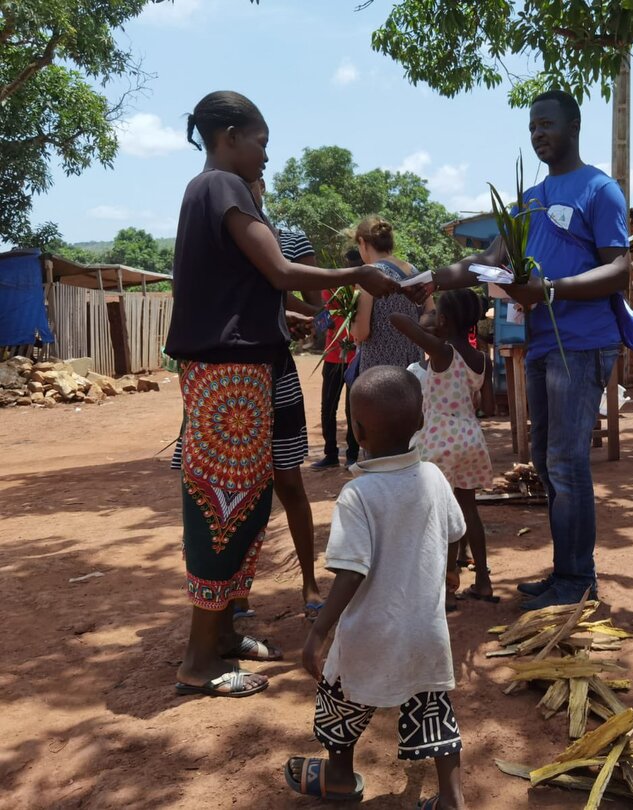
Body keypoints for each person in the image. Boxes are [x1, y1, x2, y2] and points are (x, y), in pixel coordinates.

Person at [166, 90, 403, 698]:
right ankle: (198, 659)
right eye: (261, 143)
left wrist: (281, 319)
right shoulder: (222, 186)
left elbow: (254, 284)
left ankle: (218, 636)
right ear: (227, 136)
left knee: (243, 502)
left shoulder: (217, 191)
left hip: (242, 366)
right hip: (229, 373)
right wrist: (354, 273)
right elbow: (280, 271)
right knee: (223, 504)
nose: (266, 157)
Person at [427, 89, 629, 611]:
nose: (539, 134)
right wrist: (427, 278)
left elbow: (618, 268)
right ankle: (565, 572)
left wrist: (551, 290)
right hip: (541, 343)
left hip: (581, 344)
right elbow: (487, 262)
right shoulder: (529, 201)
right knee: (544, 459)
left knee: (566, 463)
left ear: (574, 125)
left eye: (547, 125)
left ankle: (578, 580)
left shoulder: (599, 190)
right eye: (532, 128)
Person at [284, 366, 468, 809]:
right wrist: (450, 574)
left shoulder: (359, 495)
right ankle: (452, 799)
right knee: (434, 712)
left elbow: (351, 571)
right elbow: (454, 533)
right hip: (426, 631)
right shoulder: (434, 478)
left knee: (339, 702)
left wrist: (318, 632)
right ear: (421, 421)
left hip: (369, 635)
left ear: (358, 432)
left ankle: (341, 778)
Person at [171, 178, 327, 622]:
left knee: (286, 482)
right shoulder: (220, 234)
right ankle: (230, 595)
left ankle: (308, 580)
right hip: (232, 382)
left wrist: (288, 313)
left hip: (273, 374)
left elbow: (310, 304)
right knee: (226, 488)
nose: (254, 181)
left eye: (258, 179)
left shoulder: (288, 239)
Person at [391, 289, 497, 606]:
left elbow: (398, 320)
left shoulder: (441, 352)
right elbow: (489, 408)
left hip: (438, 440)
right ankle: (483, 581)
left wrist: (429, 326)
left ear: (445, 320)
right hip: (471, 437)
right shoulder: (481, 360)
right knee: (468, 511)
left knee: (441, 515)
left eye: (437, 313)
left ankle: (447, 589)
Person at [348, 215, 432, 379]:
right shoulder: (414, 271)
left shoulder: (367, 276)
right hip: (413, 368)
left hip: (379, 372)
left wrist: (352, 325)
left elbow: (362, 332)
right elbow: (431, 316)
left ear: (362, 242)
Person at [310, 247, 361, 470]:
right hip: (333, 355)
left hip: (356, 356)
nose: (354, 269)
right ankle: (330, 453)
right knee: (328, 407)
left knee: (353, 408)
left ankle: (352, 453)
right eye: (352, 265)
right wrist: (328, 322)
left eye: (358, 265)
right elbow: (320, 314)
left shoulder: (366, 287)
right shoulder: (333, 285)